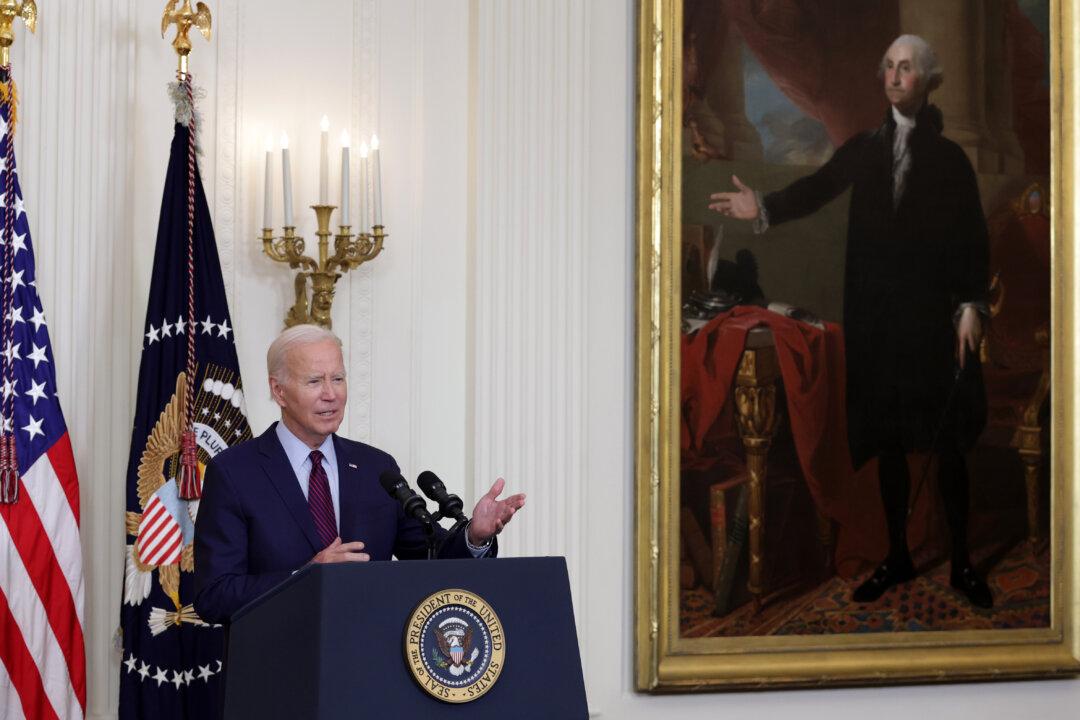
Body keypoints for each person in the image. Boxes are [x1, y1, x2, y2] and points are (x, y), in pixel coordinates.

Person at [708, 35, 992, 608]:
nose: (893, 76)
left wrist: (969, 307)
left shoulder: (952, 161)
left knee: (949, 443)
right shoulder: (865, 147)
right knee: (888, 441)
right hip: (880, 323)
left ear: (927, 80)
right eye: (887, 66)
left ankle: (962, 561)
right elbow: (817, 189)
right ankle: (898, 555)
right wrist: (760, 206)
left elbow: (971, 240)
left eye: (905, 68)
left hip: (933, 323)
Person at [194, 324, 526, 623]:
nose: (331, 394)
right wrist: (305, 578)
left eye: (338, 378)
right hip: (278, 672)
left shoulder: (375, 468)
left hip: (368, 670)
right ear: (279, 391)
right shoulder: (235, 473)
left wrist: (475, 536)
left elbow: (430, 557)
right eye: (315, 381)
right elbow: (214, 596)